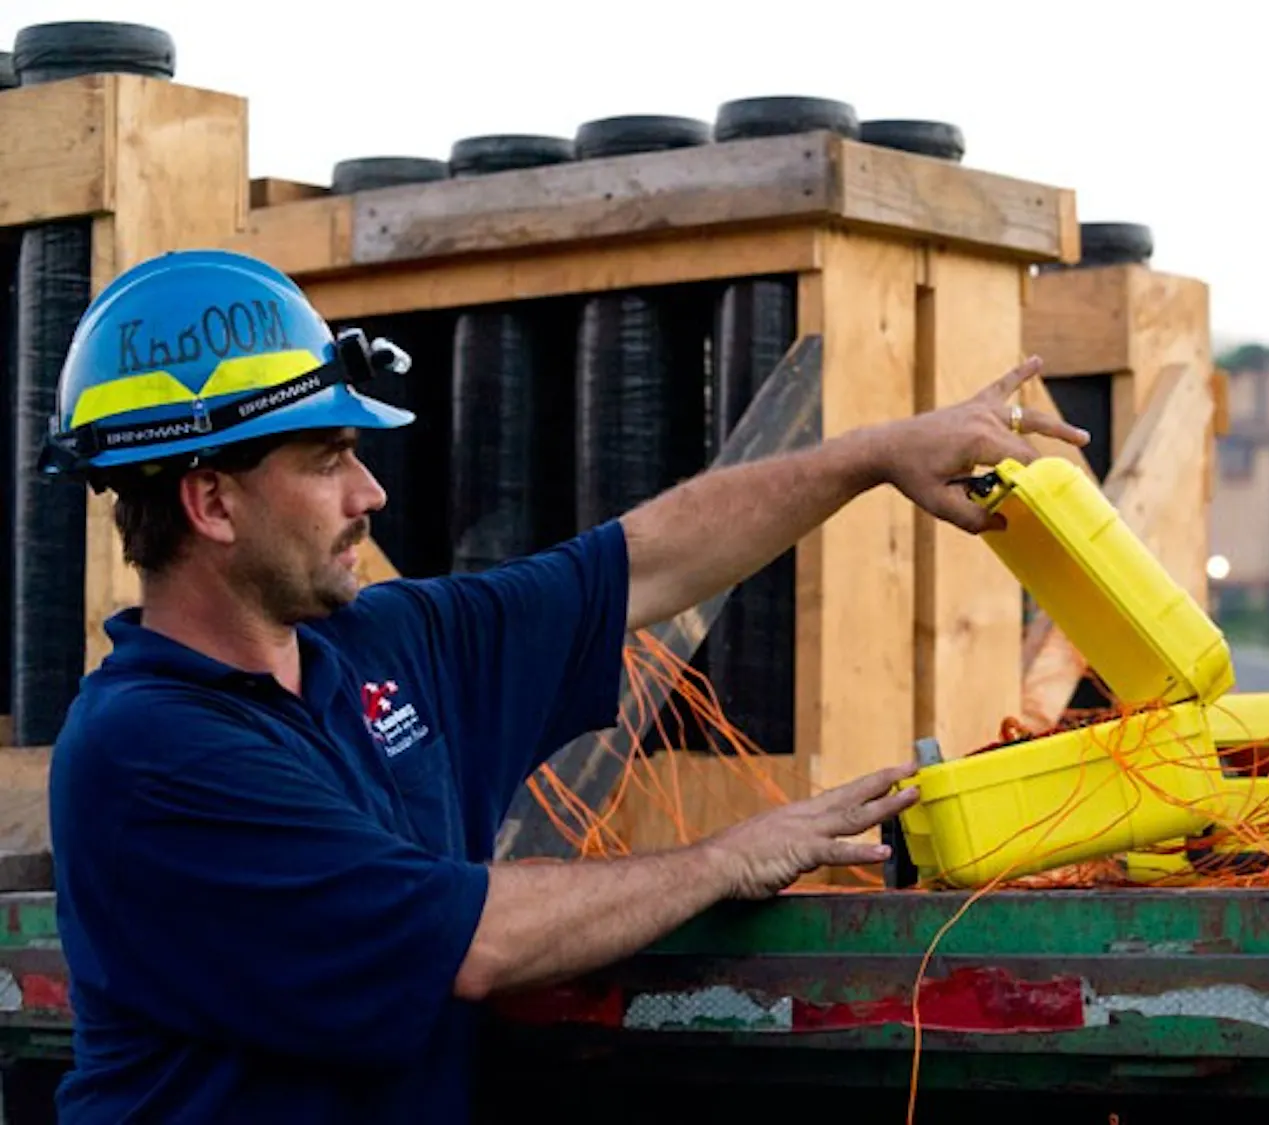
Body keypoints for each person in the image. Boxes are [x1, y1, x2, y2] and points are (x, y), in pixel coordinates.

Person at [39, 249, 1089, 1124]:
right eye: (328, 460)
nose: (371, 492)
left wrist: (872, 456)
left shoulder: (384, 643)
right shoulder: (147, 754)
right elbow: (472, 940)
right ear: (212, 502)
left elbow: (645, 561)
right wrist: (729, 857)